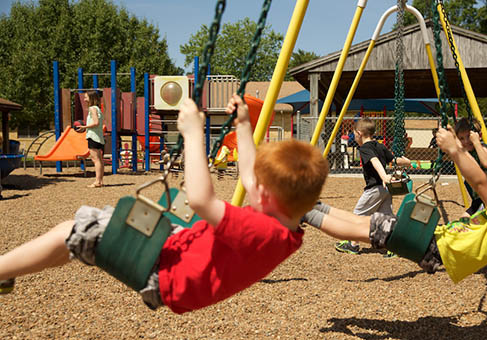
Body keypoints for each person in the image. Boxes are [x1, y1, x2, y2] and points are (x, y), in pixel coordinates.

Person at [0, 94, 329, 314]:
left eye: (258, 183)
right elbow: (247, 176)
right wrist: (244, 125)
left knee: (71, 229)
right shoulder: (286, 223)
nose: (250, 181)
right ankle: (10, 272)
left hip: (166, 273)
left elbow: (201, 199)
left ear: (266, 196)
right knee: (83, 238)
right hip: (177, 249)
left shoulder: (260, 230)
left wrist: (192, 134)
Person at [304, 125, 487, 283]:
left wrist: (455, 149)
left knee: (365, 229)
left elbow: (480, 181)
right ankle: (315, 206)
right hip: (433, 242)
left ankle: (305, 214)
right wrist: (458, 147)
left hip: (433, 247)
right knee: (367, 222)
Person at [335, 118, 416, 256]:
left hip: (375, 189)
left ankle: (353, 245)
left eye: (354, 134)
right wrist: (407, 162)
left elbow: (375, 161)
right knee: (387, 218)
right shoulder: (380, 146)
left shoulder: (365, 148)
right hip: (386, 190)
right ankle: (393, 247)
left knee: (358, 215)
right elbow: (394, 159)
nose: (353, 137)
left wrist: (384, 176)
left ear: (359, 133)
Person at [455, 118, 487, 217]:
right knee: (463, 220)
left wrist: (476, 142)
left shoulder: (483, 148)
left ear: (479, 136)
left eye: (469, 137)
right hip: (478, 199)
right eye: (462, 138)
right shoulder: (465, 153)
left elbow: (486, 163)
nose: (466, 141)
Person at [75, 90, 105, 188]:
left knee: (96, 160)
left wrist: (84, 127)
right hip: (99, 137)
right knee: (99, 160)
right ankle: (100, 181)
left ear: (91, 98)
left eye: (86, 97)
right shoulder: (97, 108)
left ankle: (97, 182)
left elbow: (95, 123)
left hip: (93, 136)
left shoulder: (92, 109)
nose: (84, 99)